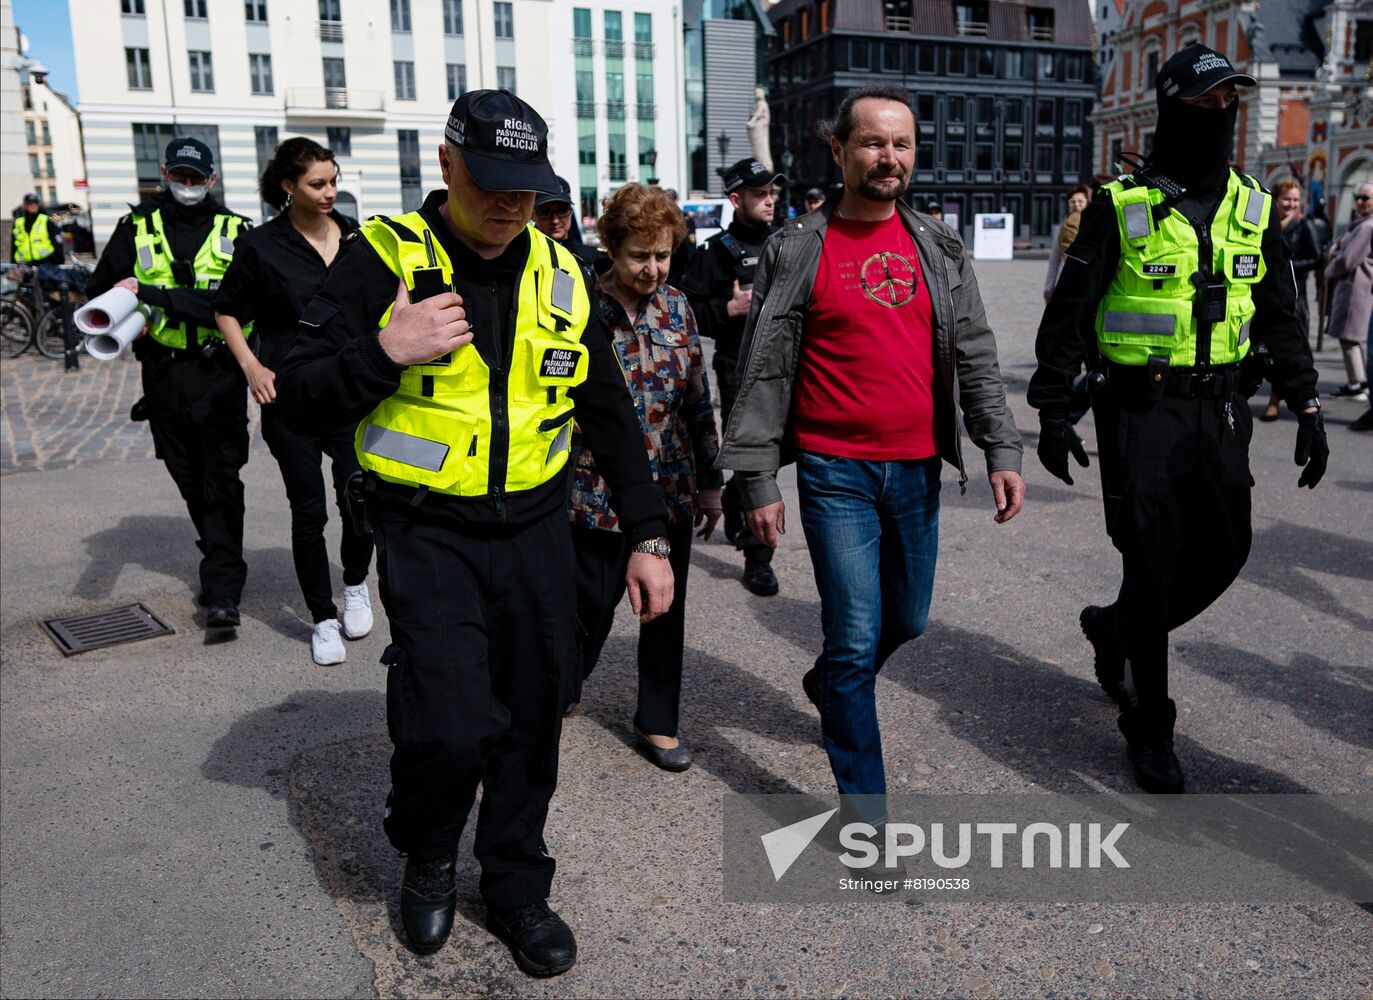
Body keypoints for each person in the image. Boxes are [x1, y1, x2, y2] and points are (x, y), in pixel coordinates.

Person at [273, 90, 673, 976]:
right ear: (446, 164)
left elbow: (605, 410)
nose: (508, 207)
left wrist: (647, 534)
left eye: (525, 191)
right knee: (447, 725)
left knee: (533, 718)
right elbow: (296, 394)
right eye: (491, 184)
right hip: (428, 530)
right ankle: (426, 855)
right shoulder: (382, 259)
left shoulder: (562, 271)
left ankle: (516, 885)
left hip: (538, 529)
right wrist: (385, 351)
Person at [718, 84, 1025, 819]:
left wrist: (999, 445)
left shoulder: (939, 247)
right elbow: (761, 369)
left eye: (901, 144)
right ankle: (867, 816)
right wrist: (755, 477)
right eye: (872, 142)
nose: (888, 157)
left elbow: (975, 352)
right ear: (839, 150)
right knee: (854, 641)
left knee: (907, 620)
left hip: (917, 468)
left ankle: (829, 684)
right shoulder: (798, 247)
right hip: (835, 473)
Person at [1029, 44, 1329, 794]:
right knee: (1153, 559)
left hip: (1222, 405)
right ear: (1169, 108)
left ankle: (1115, 628)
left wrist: (1307, 402)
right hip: (1139, 405)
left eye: (1229, 101)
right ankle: (1150, 722)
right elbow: (1068, 315)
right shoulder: (1121, 207)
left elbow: (1281, 316)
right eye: (1204, 103)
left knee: (1226, 550)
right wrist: (1050, 408)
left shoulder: (1252, 206)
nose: (1219, 114)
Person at [568, 184, 724, 771]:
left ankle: (657, 720)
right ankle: (561, 684)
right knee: (589, 603)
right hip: (592, 492)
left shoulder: (679, 307)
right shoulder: (579, 305)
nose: (653, 268)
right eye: (640, 255)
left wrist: (711, 480)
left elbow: (697, 401)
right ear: (611, 246)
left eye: (662, 255)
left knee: (663, 608)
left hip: (670, 490)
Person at [212, 138, 374, 665]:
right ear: (288, 186)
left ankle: (353, 583)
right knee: (308, 512)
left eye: (334, 180)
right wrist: (252, 366)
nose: (330, 192)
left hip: (352, 394)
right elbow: (227, 311)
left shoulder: (357, 237)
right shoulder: (261, 245)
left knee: (360, 500)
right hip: (291, 399)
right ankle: (323, 618)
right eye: (317, 184)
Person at [87, 138, 252, 629]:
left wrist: (158, 295)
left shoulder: (237, 231)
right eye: (178, 176)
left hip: (219, 372)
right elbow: (100, 291)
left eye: (195, 178)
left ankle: (223, 586)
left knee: (221, 476)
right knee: (187, 475)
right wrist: (118, 305)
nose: (186, 186)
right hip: (162, 373)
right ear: (164, 173)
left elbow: (238, 307)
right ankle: (218, 554)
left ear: (212, 180)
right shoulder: (135, 226)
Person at [684, 156, 786, 597]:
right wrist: (727, 310)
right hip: (738, 365)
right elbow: (686, 312)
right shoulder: (714, 253)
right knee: (753, 454)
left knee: (777, 454)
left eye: (773, 194)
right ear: (735, 199)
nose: (770, 201)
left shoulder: (787, 244)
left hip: (786, 365)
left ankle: (733, 498)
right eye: (761, 194)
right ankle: (756, 555)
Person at [1260, 178, 1321, 420]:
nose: (1291, 204)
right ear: (1276, 199)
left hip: (1296, 297)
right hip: (1268, 295)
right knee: (1266, 350)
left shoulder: (1303, 226)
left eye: (1295, 200)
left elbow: (1317, 257)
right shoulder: (1265, 223)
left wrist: (1287, 266)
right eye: (1286, 199)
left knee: (1289, 349)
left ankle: (1276, 401)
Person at [9, 192, 78, 369]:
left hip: (46, 268)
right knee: (28, 300)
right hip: (26, 269)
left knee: (51, 300)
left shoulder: (46, 221)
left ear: (38, 205)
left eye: (35, 203)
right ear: (25, 205)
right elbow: (14, 246)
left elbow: (57, 247)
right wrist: (14, 266)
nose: (32, 206)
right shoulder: (18, 223)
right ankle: (36, 330)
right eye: (29, 203)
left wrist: (53, 262)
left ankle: (55, 327)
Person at [1324, 181, 1372, 403]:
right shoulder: (1361, 223)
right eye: (1358, 197)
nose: (1360, 202)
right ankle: (1358, 382)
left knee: (1350, 337)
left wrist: (1329, 267)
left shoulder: (1366, 227)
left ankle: (1358, 384)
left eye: (1366, 198)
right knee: (1350, 338)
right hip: (1353, 286)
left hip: (1355, 287)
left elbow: (1348, 260)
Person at [532, 174, 597, 277]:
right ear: (532, 215)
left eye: (562, 211)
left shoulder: (593, 259)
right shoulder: (519, 258)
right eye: (545, 212)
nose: (555, 220)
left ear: (571, 211)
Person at [1045, 184, 1092, 302]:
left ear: (1088, 203)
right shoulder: (1062, 227)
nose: (1076, 204)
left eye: (1080, 201)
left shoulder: (1093, 226)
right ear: (1068, 204)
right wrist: (1048, 289)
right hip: (1064, 280)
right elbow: (1054, 260)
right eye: (1073, 201)